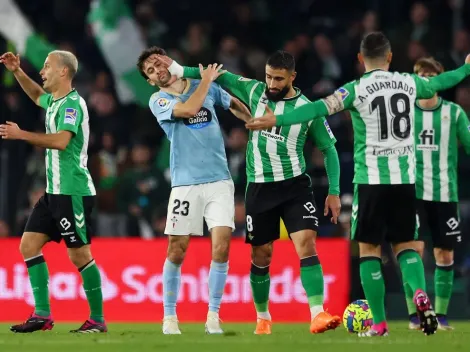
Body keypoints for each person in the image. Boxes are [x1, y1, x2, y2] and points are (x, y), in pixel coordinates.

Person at [245, 32, 470, 337]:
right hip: (405, 181)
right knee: (406, 247)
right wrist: (466, 68)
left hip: (370, 181)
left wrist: (277, 121)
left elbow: (317, 109)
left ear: (361, 59)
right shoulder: (409, 82)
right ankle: (419, 292)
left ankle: (378, 324)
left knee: (369, 251)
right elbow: (441, 83)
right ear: (390, 58)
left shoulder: (354, 89)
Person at [158, 50, 342, 335]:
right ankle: (263, 317)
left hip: (295, 186)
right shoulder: (255, 90)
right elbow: (221, 74)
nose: (272, 83)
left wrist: (334, 190)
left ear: (292, 77)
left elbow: (329, 149)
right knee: (262, 255)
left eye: (278, 79)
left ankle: (317, 313)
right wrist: (179, 68)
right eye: (268, 76)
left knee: (306, 243)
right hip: (259, 188)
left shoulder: (307, 108)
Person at [136, 46, 251, 335]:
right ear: (149, 81)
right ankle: (170, 317)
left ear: (167, 62)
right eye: (150, 71)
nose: (156, 71)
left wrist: (251, 120)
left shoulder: (203, 85)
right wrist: (208, 82)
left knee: (222, 246)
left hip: (219, 181)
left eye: (157, 64)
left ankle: (213, 315)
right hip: (185, 185)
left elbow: (232, 103)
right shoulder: (158, 100)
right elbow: (188, 109)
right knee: (177, 248)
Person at [0, 51, 106, 333]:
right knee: (28, 245)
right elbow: (37, 96)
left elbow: (61, 141)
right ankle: (42, 315)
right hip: (53, 192)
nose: (42, 71)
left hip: (72, 191)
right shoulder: (55, 102)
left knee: (79, 255)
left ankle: (97, 319)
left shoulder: (72, 105)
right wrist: (17, 71)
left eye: (47, 66)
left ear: (63, 72)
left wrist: (22, 134)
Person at [406, 57, 470, 331]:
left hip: (445, 194)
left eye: (432, 74)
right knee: (413, 251)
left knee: (445, 256)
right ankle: (415, 316)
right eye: (422, 74)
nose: (427, 79)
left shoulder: (455, 113)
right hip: (412, 193)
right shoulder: (403, 111)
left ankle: (441, 316)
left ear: (441, 80)